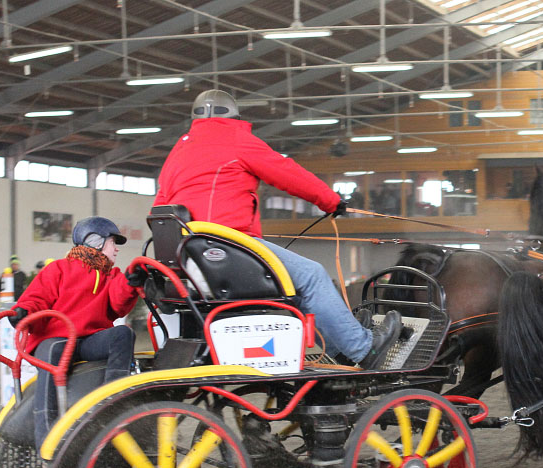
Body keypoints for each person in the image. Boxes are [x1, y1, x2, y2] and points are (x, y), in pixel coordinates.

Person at [152, 89, 401, 368]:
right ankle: (364, 348)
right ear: (234, 115)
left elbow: (160, 206)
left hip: (189, 252)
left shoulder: (180, 148)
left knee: (295, 285)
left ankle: (340, 346)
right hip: (224, 247)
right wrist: (330, 201)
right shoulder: (237, 139)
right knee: (312, 275)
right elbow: (287, 173)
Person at [10, 217, 141, 450]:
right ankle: (46, 443)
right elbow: (37, 298)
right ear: (95, 242)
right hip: (57, 339)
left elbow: (118, 303)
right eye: (113, 243)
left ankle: (113, 401)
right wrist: (22, 311)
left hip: (89, 340)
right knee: (52, 350)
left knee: (123, 334)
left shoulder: (111, 275)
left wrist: (132, 282)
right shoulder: (58, 269)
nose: (117, 248)